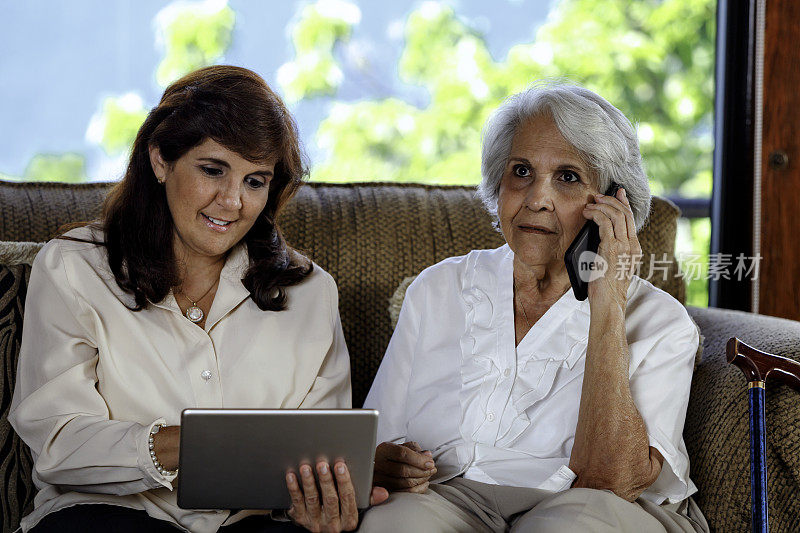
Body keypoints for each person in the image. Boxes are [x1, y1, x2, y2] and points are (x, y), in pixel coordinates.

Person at [9, 65, 385, 533]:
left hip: (255, 523)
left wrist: (324, 504)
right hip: (111, 518)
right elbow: (57, 442)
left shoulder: (311, 292)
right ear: (160, 160)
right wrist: (187, 444)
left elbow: (321, 456)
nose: (233, 202)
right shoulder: (73, 269)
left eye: (255, 181)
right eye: (213, 170)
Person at [361, 83, 710, 532]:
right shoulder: (438, 287)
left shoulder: (660, 321)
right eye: (521, 171)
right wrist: (387, 465)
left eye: (568, 177)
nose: (536, 198)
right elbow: (372, 448)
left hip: (595, 508)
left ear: (612, 204)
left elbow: (611, 480)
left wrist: (607, 305)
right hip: (451, 499)